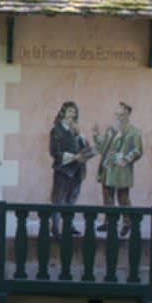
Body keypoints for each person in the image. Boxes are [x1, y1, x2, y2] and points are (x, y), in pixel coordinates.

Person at [92, 102, 143, 237]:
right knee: (107, 196)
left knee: (123, 198)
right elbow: (103, 147)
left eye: (121, 114)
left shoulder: (134, 131)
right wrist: (96, 135)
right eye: (117, 114)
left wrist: (126, 159)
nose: (118, 116)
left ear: (127, 114)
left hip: (122, 169)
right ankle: (109, 222)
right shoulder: (111, 129)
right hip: (108, 168)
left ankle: (127, 223)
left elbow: (138, 150)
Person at [49, 101, 93, 236]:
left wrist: (80, 136)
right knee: (58, 200)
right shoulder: (56, 130)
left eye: (74, 112)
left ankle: (69, 225)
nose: (72, 115)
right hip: (63, 170)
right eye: (69, 112)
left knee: (72, 199)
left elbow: (87, 148)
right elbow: (54, 152)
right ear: (63, 113)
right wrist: (74, 157)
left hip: (77, 170)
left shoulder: (76, 130)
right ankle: (55, 228)